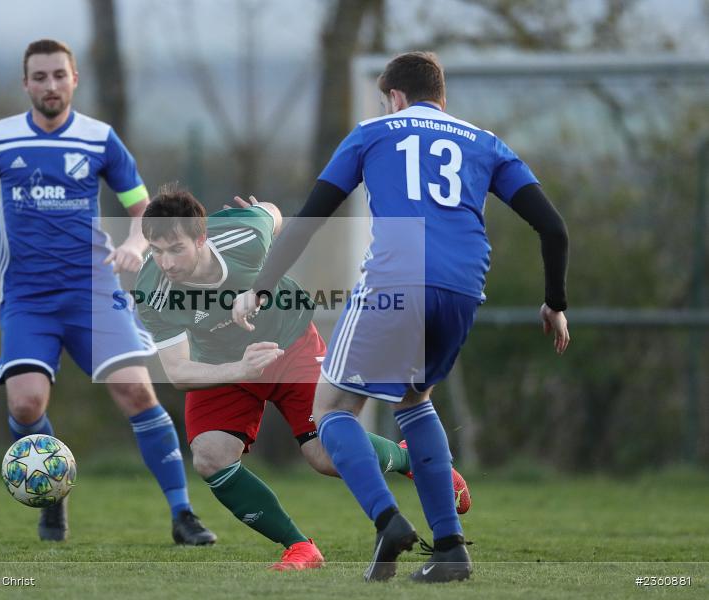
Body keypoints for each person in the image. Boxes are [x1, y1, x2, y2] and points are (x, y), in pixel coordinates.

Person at [233, 51, 570, 582]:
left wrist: (260, 286)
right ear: (441, 95)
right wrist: (555, 302)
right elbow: (554, 229)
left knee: (331, 412)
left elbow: (312, 216)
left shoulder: (374, 132)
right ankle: (452, 550)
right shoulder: (485, 143)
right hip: (462, 288)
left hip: (396, 280)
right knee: (416, 399)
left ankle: (387, 520)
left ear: (394, 97)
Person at [132, 186, 468, 570]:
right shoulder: (151, 290)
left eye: (176, 249)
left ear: (201, 237)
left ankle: (409, 457)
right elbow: (177, 371)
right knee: (210, 457)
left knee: (323, 457)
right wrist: (240, 370)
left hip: (291, 344)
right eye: (156, 250)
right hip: (225, 364)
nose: (166, 262)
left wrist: (266, 212)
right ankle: (300, 547)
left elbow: (271, 215)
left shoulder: (241, 236)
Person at [0, 39, 215, 545]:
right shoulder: (0, 138)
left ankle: (183, 515)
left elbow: (142, 209)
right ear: (26, 83)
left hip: (92, 291)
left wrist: (137, 246)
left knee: (137, 391)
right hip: (28, 298)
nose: (50, 85)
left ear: (75, 79)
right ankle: (51, 494)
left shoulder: (99, 139)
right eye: (40, 77)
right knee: (26, 406)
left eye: (59, 75)